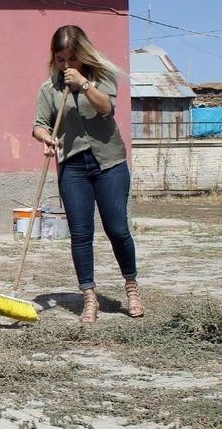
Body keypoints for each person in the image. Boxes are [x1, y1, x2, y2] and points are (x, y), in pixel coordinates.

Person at [33, 25, 144, 323]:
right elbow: (39, 123)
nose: (66, 65)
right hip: (72, 166)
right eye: (60, 59)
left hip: (109, 163)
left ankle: (131, 286)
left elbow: (106, 108)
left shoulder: (101, 77)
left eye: (72, 58)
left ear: (83, 55)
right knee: (81, 234)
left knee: (117, 229)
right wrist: (46, 137)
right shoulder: (49, 88)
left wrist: (83, 84)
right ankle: (89, 297)